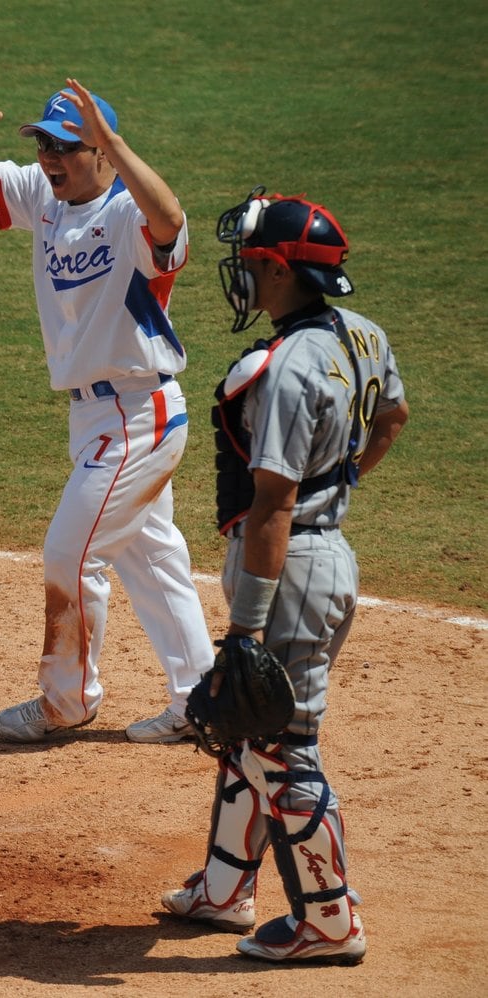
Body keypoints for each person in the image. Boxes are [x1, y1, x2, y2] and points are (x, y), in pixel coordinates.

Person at [160, 189, 407, 965]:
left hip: (288, 564)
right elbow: (393, 418)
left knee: (280, 747)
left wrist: (244, 628)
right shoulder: (362, 335)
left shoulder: (289, 368)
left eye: (251, 262)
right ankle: (226, 888)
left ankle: (329, 920)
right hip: (321, 555)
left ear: (276, 269)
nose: (241, 272)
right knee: (248, 730)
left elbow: (272, 502)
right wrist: (343, 484)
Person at [0, 65, 211, 744]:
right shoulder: (44, 196)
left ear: (102, 151)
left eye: (68, 146)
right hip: (95, 415)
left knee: (70, 555)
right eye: (46, 145)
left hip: (138, 415)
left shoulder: (129, 214)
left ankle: (67, 701)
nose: (50, 159)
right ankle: (204, 702)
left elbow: (173, 219)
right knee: (152, 561)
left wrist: (117, 147)